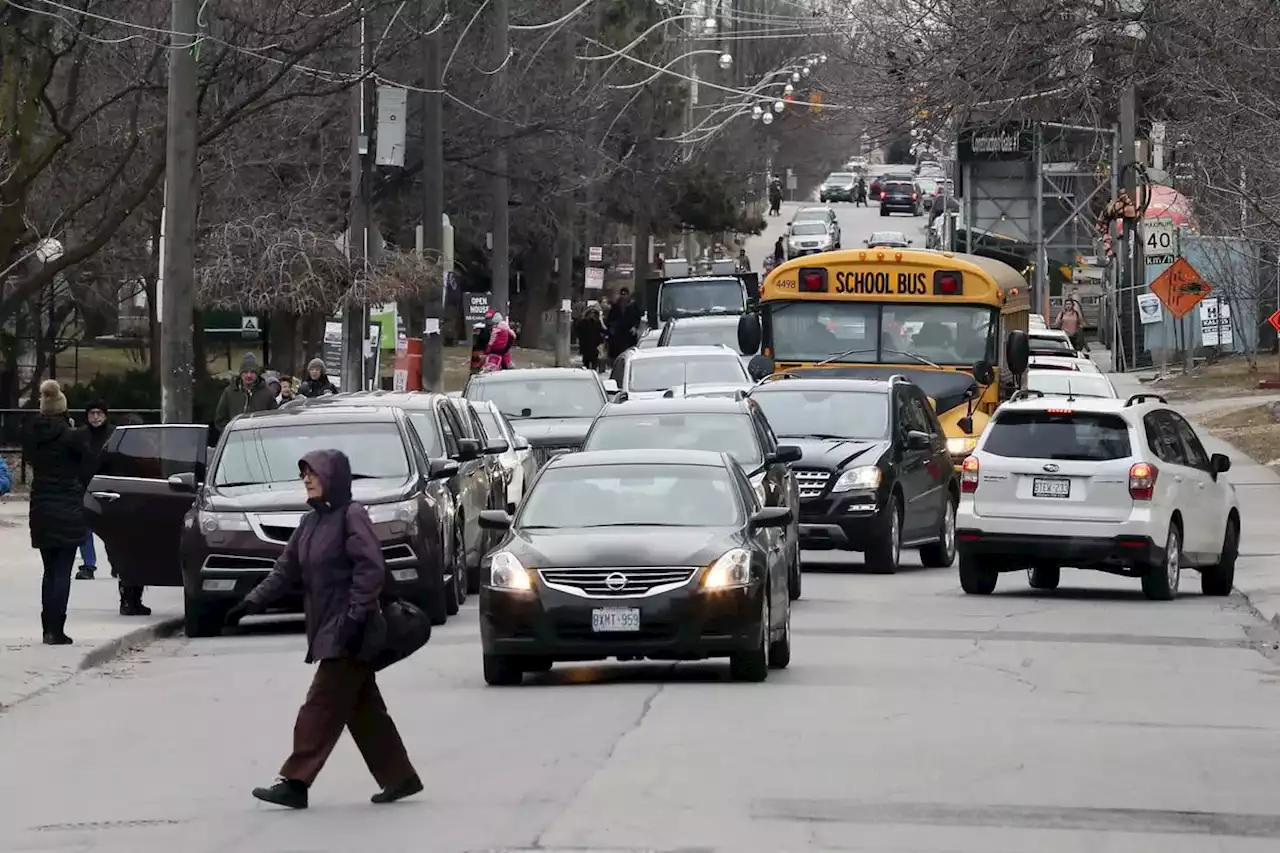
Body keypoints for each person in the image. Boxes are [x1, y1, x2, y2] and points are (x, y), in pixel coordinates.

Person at [226, 450, 421, 810]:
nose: (307, 480)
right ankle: (399, 776)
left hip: (351, 629)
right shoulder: (310, 523)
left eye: (314, 474)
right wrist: (251, 602)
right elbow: (285, 570)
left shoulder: (352, 516)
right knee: (362, 708)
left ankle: (295, 781)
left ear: (334, 476)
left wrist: (354, 615)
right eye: (304, 475)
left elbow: (371, 569)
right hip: (330, 627)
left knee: (319, 706)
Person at [26, 380, 88, 645]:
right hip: (67, 507)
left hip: (40, 507)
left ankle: (46, 628)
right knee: (63, 571)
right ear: (63, 409)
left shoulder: (32, 435)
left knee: (49, 570)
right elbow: (86, 463)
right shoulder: (71, 436)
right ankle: (57, 629)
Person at [74, 400, 113, 581]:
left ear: (105, 415)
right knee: (84, 529)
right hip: (84, 487)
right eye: (92, 413)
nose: (96, 417)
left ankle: (117, 563)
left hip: (110, 488)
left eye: (99, 413)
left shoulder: (114, 434)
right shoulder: (80, 435)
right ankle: (88, 566)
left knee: (112, 529)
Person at [214, 353, 277, 433]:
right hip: (236, 439)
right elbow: (220, 420)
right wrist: (231, 433)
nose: (249, 375)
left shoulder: (267, 393)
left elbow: (274, 418)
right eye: (245, 372)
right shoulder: (229, 392)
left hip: (260, 438)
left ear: (257, 374)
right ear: (240, 374)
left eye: (252, 372)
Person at [606, 288, 642, 361]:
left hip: (629, 333)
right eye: (622, 294)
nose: (623, 297)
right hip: (618, 334)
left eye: (625, 294)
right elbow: (610, 319)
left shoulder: (632, 305)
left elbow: (637, 317)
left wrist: (635, 327)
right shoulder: (616, 306)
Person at [576, 305, 605, 372]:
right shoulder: (584, 322)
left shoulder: (583, 322)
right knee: (591, 364)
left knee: (588, 364)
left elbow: (577, 332)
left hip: (591, 346)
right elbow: (604, 331)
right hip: (591, 346)